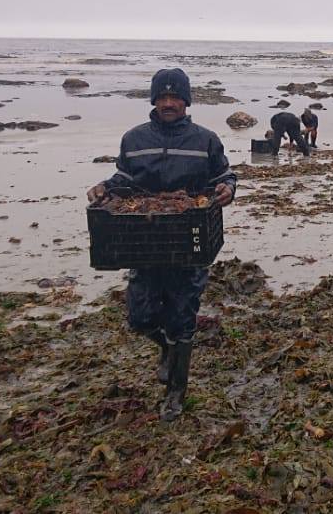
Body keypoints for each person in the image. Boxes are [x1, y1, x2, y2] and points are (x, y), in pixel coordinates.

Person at [86, 68, 237, 420]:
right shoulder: (135, 139)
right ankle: (167, 351)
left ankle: (176, 393)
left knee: (183, 319)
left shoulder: (206, 140)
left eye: (176, 98)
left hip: (190, 242)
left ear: (186, 101)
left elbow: (224, 176)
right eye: (163, 97)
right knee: (139, 317)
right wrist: (105, 188)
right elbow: (124, 179)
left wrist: (228, 190)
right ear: (153, 100)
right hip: (146, 241)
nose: (169, 103)